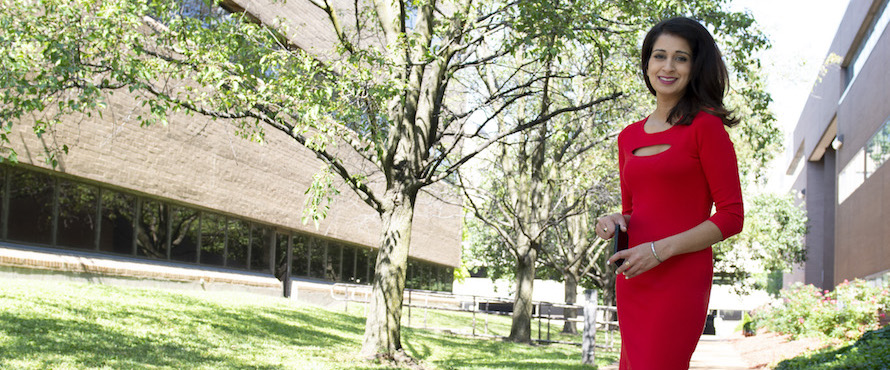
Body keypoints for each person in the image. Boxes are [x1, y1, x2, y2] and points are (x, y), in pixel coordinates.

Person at [595, 17, 744, 370]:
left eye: (681, 58)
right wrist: (616, 220)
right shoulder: (628, 137)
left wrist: (658, 251)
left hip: (679, 278)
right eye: (659, 56)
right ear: (647, 63)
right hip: (635, 275)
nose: (668, 66)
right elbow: (636, 210)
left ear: (696, 67)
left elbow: (731, 216)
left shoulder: (706, 128)